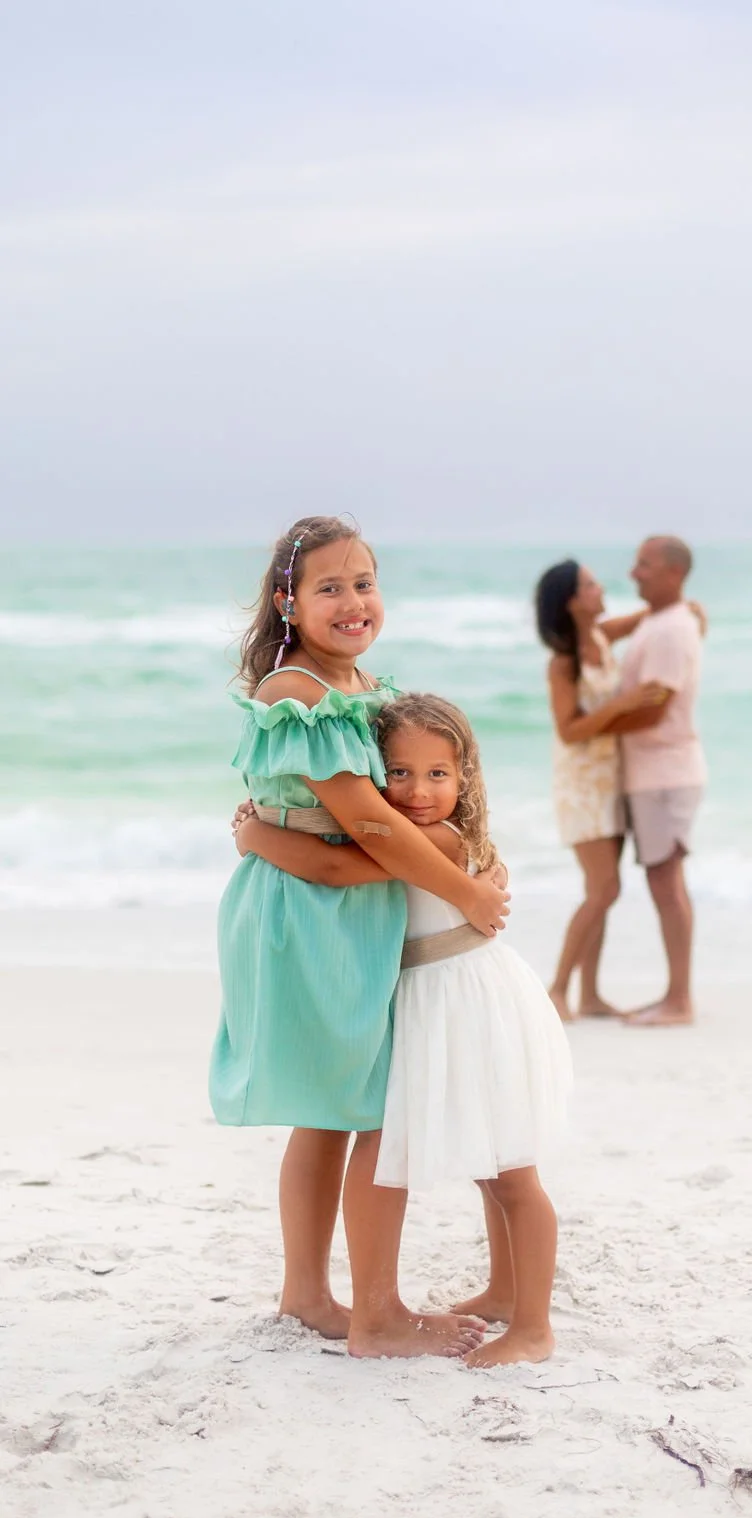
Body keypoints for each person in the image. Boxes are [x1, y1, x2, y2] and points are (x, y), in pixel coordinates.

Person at [211, 517, 508, 1359]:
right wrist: (465, 889)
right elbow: (370, 830)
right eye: (329, 588)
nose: (352, 602)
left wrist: (463, 851)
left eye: (365, 583)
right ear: (288, 602)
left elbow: (411, 809)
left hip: (337, 909)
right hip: (310, 917)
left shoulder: (364, 689)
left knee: (333, 1112)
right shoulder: (298, 693)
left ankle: (309, 1293)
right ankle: (373, 1313)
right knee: (373, 1104)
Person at [235, 693, 572, 1368]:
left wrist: (257, 837)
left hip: (470, 1008)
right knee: (490, 1165)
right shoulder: (426, 835)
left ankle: (533, 1327)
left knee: (510, 1171)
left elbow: (334, 867)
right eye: (400, 773)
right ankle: (504, 1293)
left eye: (438, 774)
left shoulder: (439, 841)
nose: (419, 791)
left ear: (465, 777)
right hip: (440, 1002)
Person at [534, 560, 666, 1020]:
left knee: (604, 888)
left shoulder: (601, 637)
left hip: (612, 781)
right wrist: (623, 704)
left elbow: (649, 616)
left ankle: (589, 996)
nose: (600, 588)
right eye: (590, 585)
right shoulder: (564, 661)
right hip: (581, 788)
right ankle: (556, 988)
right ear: (572, 600)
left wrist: (685, 608)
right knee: (604, 889)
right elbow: (569, 731)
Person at [619, 536, 708, 1026]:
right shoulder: (659, 620)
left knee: (667, 883)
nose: (634, 572)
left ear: (674, 572)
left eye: (645, 565)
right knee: (663, 881)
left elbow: (654, 709)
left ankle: (679, 1000)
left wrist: (587, 729)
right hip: (654, 774)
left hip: (666, 773)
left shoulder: (672, 629)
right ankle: (675, 995)